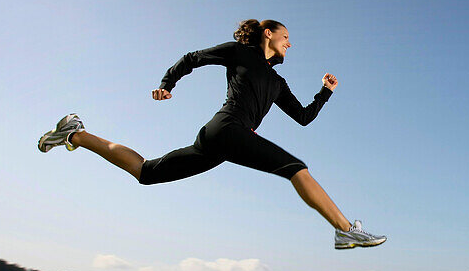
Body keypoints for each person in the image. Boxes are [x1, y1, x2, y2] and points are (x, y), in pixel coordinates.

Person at [38, 19, 386, 249]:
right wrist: (166, 84)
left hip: (220, 143)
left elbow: (304, 118)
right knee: (295, 167)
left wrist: (325, 92)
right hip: (228, 129)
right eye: (286, 38)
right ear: (269, 34)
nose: (289, 45)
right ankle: (344, 228)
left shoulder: (277, 83)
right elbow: (193, 58)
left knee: (146, 172)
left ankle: (76, 134)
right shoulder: (240, 53)